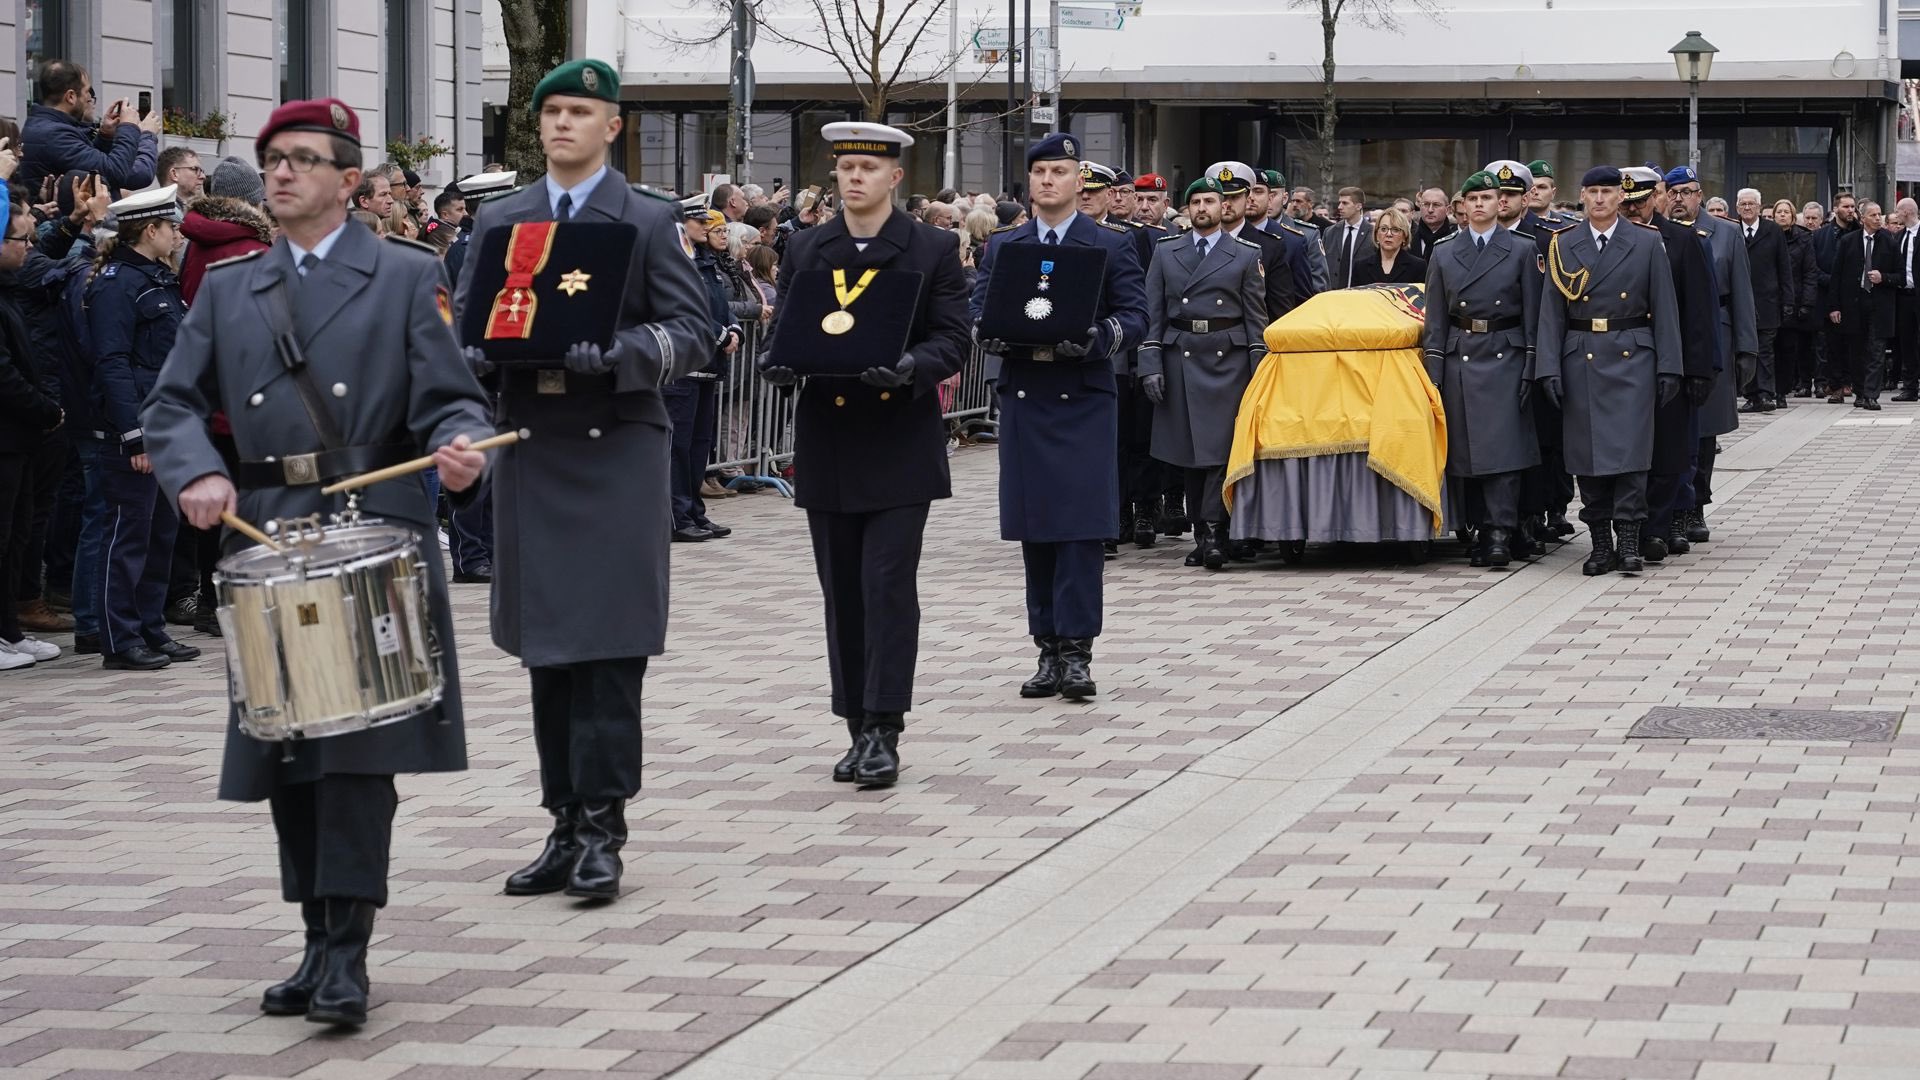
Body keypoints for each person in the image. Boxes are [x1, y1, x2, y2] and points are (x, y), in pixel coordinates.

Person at [143, 98, 494, 1028]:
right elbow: (172, 406)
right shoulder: (228, 287)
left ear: (348, 181)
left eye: (303, 160)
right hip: (266, 527)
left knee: (355, 751)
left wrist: (461, 450)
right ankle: (312, 933)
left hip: (372, 520)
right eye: (272, 160)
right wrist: (197, 474)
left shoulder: (405, 279)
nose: (283, 173)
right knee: (288, 747)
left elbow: (453, 402)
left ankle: (347, 948)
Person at [451, 59, 711, 903]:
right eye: (552, 111)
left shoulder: (645, 217)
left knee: (607, 653)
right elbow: (465, 330)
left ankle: (604, 827)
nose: (562, 124)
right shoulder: (504, 218)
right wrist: (479, 364)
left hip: (614, 448)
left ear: (612, 127)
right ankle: (563, 821)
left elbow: (692, 332)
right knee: (549, 652)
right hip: (533, 446)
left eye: (580, 111)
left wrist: (624, 355)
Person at [757, 121, 970, 786]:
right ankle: (853, 723)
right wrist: (780, 364)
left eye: (868, 168)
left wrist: (910, 367)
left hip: (898, 438)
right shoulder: (807, 246)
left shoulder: (930, 246)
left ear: (894, 178)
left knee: (886, 587)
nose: (854, 178)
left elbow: (955, 338)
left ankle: (884, 725)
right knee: (841, 590)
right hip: (829, 437)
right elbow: (789, 325)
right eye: (845, 166)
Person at [970, 131, 1145, 702]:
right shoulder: (1005, 246)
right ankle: (1046, 648)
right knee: (1036, 527)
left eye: (1059, 172)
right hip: (1026, 393)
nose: (1048, 181)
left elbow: (1136, 316)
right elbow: (978, 309)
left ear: (1079, 181)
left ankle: (1077, 652)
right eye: (1040, 172)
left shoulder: (1110, 244)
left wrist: (1097, 341)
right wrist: (991, 334)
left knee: (1082, 530)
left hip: (1083, 395)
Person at [1534, 167, 1683, 576]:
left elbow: (1665, 309)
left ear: (1621, 197)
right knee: (1588, 455)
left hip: (1633, 355)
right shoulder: (1564, 244)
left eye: (1607, 192)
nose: (1600, 199)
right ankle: (1600, 545)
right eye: (1593, 192)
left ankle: (1630, 540)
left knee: (1632, 456)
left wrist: (1670, 365)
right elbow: (1551, 314)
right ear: (1582, 196)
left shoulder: (1646, 242)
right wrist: (1547, 367)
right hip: (1581, 354)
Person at [85, 186, 199, 671]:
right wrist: (133, 433)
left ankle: (151, 627)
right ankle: (120, 637)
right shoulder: (117, 284)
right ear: (149, 230)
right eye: (171, 226)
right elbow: (112, 364)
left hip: (169, 423)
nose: (177, 234)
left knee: (161, 535)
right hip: (137, 428)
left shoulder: (158, 279)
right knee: (128, 534)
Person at [1135, 176, 1268, 570]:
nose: (1203, 208)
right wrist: (1150, 365)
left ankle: (1214, 530)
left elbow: (1256, 318)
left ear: (1223, 207)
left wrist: (1259, 372)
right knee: (1188, 453)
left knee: (1218, 454)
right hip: (1180, 358)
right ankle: (1201, 534)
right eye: (1196, 201)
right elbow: (1152, 314)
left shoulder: (1244, 253)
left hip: (1228, 361)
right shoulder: (1166, 251)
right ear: (1187, 208)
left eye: (1210, 200)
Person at [1420, 170, 1539, 568]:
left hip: (1505, 354)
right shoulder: (1444, 251)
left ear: (1500, 203)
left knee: (1503, 454)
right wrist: (1433, 371)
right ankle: (1476, 529)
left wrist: (1531, 366)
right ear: (1462, 207)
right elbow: (1435, 318)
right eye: (1472, 200)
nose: (1480, 205)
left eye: (1487, 198)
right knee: (1465, 454)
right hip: (1460, 354)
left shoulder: (1522, 248)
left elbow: (1535, 317)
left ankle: (1499, 532)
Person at [1619, 166, 1718, 564]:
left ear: (1657, 197)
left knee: (1667, 452)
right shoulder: (1605, 242)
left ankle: (1658, 528)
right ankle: (1626, 529)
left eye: (1641, 201)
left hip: (1668, 362)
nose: (1633, 210)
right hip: (1620, 363)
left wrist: (1700, 369)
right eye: (1626, 203)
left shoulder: (1680, 240)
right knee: (1624, 451)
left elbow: (1699, 310)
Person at [1665, 166, 1755, 544]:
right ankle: (1670, 504)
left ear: (1700, 195)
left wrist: (1746, 348)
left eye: (1688, 192)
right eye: (1674, 192)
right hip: (1670, 334)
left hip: (1714, 334)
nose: (1680, 199)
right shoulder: (1654, 232)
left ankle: (1695, 505)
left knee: (1704, 428)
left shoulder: (1727, 233)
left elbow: (1742, 295)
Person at [0, 199, 67, 671]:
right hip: (7, 432)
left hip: (20, 436)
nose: (28, 248)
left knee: (17, 536)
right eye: (20, 240)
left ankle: (9, 630)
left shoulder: (9, 288)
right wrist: (45, 408)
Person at [672, 208, 740, 543]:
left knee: (700, 445)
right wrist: (720, 335)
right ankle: (676, 516)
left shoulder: (705, 261)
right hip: (682, 367)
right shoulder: (674, 261)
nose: (706, 226)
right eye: (698, 221)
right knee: (678, 448)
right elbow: (683, 307)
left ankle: (694, 511)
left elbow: (721, 304)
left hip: (707, 367)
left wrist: (734, 328)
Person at [17, 60, 161, 194]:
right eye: (87, 91)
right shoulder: (55, 135)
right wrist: (135, 129)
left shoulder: (46, 127)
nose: (89, 99)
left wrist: (105, 136)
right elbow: (115, 172)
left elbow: (90, 166)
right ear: (71, 96)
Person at [1829, 199, 1897, 411]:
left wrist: (1883, 277)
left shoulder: (1889, 241)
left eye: (1880, 215)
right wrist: (1834, 306)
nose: (1878, 218)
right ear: (1863, 217)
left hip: (1879, 304)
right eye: (1874, 215)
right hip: (1854, 303)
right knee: (1856, 351)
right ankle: (1860, 392)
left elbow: (1901, 276)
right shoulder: (1849, 241)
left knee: (1876, 350)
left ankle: (1871, 395)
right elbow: (1836, 276)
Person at [1735, 187, 1792, 412]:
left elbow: (1784, 267)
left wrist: (1788, 301)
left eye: (1751, 204)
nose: (1747, 208)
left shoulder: (1773, 231)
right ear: (1737, 207)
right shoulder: (1732, 230)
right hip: (1740, 302)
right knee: (1746, 350)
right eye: (1743, 204)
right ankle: (1751, 395)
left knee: (1766, 350)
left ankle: (1767, 394)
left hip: (1767, 302)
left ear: (1759, 207)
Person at [1775, 199, 1819, 400]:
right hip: (1771, 300)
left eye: (1786, 212)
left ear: (1793, 217)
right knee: (1769, 349)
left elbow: (1810, 272)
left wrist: (1807, 303)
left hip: (1794, 301)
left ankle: (1782, 391)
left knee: (1789, 349)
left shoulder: (1803, 239)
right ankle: (1768, 389)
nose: (1782, 215)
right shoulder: (1768, 236)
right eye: (1779, 212)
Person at [1886, 198, 1920, 401]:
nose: (1896, 215)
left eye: (1898, 211)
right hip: (1904, 297)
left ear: (1907, 212)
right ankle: (1910, 387)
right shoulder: (1898, 238)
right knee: (1906, 343)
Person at [1350, 206, 1425, 286]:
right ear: (1376, 234)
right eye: (1383, 229)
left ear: (1404, 236)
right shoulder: (1360, 267)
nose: (1388, 234)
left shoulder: (1418, 266)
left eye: (1395, 230)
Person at [1325, 186, 1374, 288]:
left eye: (1345, 203)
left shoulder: (1373, 233)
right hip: (1332, 295)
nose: (1339, 207)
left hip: (1361, 294)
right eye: (1339, 202)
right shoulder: (1330, 232)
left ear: (1358, 206)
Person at [1411, 186, 1456, 258]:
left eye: (1436, 205)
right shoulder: (1408, 239)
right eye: (1426, 204)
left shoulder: (1456, 241)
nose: (1430, 210)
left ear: (1447, 210)